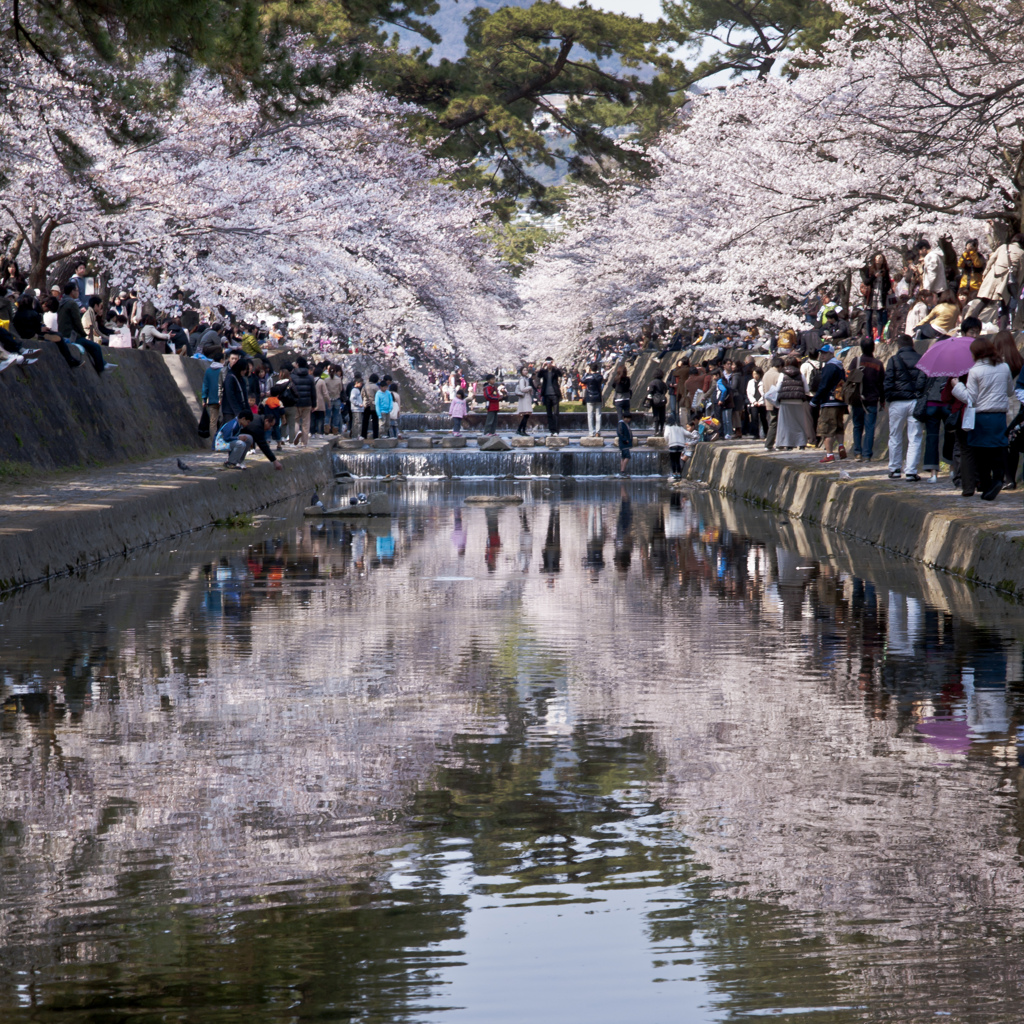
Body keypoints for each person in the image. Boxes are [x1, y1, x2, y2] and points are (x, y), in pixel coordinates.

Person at [952, 337, 1014, 500]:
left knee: (981, 452)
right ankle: (998, 479)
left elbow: (970, 398)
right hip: (999, 415)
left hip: (981, 416)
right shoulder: (1004, 367)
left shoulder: (975, 371)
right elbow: (1009, 391)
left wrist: (957, 386)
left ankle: (987, 485)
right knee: (998, 448)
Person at [884, 333, 926, 480]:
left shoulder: (894, 360)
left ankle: (895, 469)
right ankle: (911, 471)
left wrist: (888, 398)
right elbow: (923, 381)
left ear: (899, 346)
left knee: (895, 436)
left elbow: (888, 381)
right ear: (912, 345)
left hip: (897, 402)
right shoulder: (921, 359)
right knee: (914, 437)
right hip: (915, 402)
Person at [57, 282, 113, 374]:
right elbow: (77, 322)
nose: (78, 293)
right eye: (77, 291)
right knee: (96, 347)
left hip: (62, 333)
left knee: (90, 346)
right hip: (71, 336)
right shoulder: (72, 304)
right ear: (72, 292)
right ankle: (101, 369)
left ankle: (104, 363)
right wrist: (83, 334)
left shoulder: (62, 302)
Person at [975, 233, 1024, 328]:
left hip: (993, 276)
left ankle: (968, 323)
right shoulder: (1021, 253)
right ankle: (1003, 331)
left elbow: (991, 261)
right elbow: (1021, 271)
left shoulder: (1003, 247)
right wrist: (1017, 284)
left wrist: (985, 274)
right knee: (1005, 305)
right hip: (1007, 279)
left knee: (984, 300)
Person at [810, 344, 848, 462]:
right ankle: (841, 446)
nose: (822, 356)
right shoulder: (840, 366)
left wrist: (815, 400)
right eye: (821, 353)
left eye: (825, 353)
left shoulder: (829, 367)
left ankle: (829, 455)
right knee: (839, 426)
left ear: (831, 353)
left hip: (829, 401)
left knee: (827, 429)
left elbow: (824, 385)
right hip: (840, 401)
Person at [849, 339, 885, 462]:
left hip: (857, 399)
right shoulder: (878, 364)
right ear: (873, 349)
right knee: (870, 428)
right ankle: (867, 454)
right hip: (872, 400)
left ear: (861, 348)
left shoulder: (856, 361)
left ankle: (857, 452)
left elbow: (849, 377)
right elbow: (881, 384)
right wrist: (882, 400)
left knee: (857, 426)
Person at [215, 408, 284, 471]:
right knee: (241, 443)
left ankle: (238, 461)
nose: (270, 428)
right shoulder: (256, 425)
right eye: (270, 426)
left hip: (230, 441)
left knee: (248, 438)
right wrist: (275, 461)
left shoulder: (257, 420)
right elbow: (263, 445)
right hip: (221, 443)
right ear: (266, 421)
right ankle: (231, 462)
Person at [773, 356, 812, 449]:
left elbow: (778, 388)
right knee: (800, 423)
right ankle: (802, 443)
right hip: (798, 401)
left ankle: (788, 444)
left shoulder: (782, 375)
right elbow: (806, 389)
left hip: (785, 401)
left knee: (786, 424)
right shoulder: (800, 374)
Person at [860, 253, 892, 341]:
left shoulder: (885, 271)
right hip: (871, 296)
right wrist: (875, 276)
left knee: (879, 317)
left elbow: (888, 284)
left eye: (881, 258)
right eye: (877, 258)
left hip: (880, 294)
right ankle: (868, 335)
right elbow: (866, 282)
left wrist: (884, 290)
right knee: (868, 317)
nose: (879, 260)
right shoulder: (870, 270)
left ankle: (878, 336)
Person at [289, 355, 316, 446]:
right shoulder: (310, 377)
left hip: (296, 403)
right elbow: (313, 391)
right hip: (307, 402)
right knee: (306, 422)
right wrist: (314, 404)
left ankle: (297, 433)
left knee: (295, 420)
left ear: (297, 364)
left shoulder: (292, 376)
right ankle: (304, 442)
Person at [201, 346, 224, 448]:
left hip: (211, 399)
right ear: (222, 360)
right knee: (223, 420)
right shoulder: (223, 370)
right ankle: (221, 441)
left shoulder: (208, 371)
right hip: (222, 399)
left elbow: (205, 385)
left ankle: (213, 443)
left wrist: (204, 398)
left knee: (213, 422)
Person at [536, 357, 562, 434]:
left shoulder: (555, 371)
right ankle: (551, 430)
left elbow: (560, 374)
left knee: (556, 413)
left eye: (550, 362)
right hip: (546, 394)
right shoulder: (544, 371)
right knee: (549, 413)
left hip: (555, 394)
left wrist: (555, 366)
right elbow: (539, 376)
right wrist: (542, 367)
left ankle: (556, 430)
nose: (549, 364)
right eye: (547, 362)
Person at [582, 361, 604, 435]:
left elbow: (582, 380)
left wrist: (586, 372)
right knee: (598, 414)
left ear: (590, 369)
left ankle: (591, 432)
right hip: (598, 397)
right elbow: (601, 379)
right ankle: (598, 431)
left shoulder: (588, 377)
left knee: (590, 415)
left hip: (590, 397)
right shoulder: (599, 377)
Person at [746, 367, 768, 438]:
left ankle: (766, 433)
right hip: (754, 403)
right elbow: (749, 393)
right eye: (754, 374)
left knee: (763, 418)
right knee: (754, 418)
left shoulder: (763, 382)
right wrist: (754, 401)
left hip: (762, 403)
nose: (755, 375)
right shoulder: (750, 382)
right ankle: (755, 434)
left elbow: (765, 392)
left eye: (756, 374)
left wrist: (760, 401)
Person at [646, 370, 670, 434]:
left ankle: (656, 430)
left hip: (655, 401)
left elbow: (650, 392)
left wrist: (648, 400)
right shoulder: (663, 383)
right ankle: (661, 430)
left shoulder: (652, 383)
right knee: (662, 415)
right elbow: (665, 391)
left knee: (656, 414)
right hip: (662, 400)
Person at [514, 367, 534, 435]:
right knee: (526, 415)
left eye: (526, 370)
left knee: (526, 415)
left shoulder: (526, 379)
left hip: (526, 398)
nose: (526, 371)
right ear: (521, 371)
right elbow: (522, 389)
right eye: (524, 370)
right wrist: (530, 387)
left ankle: (520, 430)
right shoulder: (522, 379)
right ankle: (522, 430)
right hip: (524, 398)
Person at [362, 373, 380, 439]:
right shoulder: (376, 387)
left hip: (366, 405)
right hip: (374, 405)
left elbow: (362, 394)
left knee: (365, 421)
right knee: (375, 421)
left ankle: (363, 435)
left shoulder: (364, 386)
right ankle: (375, 436)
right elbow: (378, 396)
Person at [617, 411, 634, 476]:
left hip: (625, 443)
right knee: (627, 457)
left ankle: (622, 471)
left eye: (629, 419)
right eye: (627, 418)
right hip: (624, 443)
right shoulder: (621, 424)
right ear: (623, 417)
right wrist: (625, 440)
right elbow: (620, 433)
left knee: (623, 457)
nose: (628, 420)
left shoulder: (625, 424)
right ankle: (622, 471)